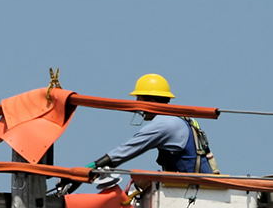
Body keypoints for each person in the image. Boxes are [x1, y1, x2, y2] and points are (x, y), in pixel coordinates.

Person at [89, 74, 220, 174]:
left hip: (191, 191)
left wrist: (92, 167)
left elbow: (126, 150)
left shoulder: (164, 124)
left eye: (139, 101)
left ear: (151, 102)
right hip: (201, 187)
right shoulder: (183, 119)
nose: (138, 108)